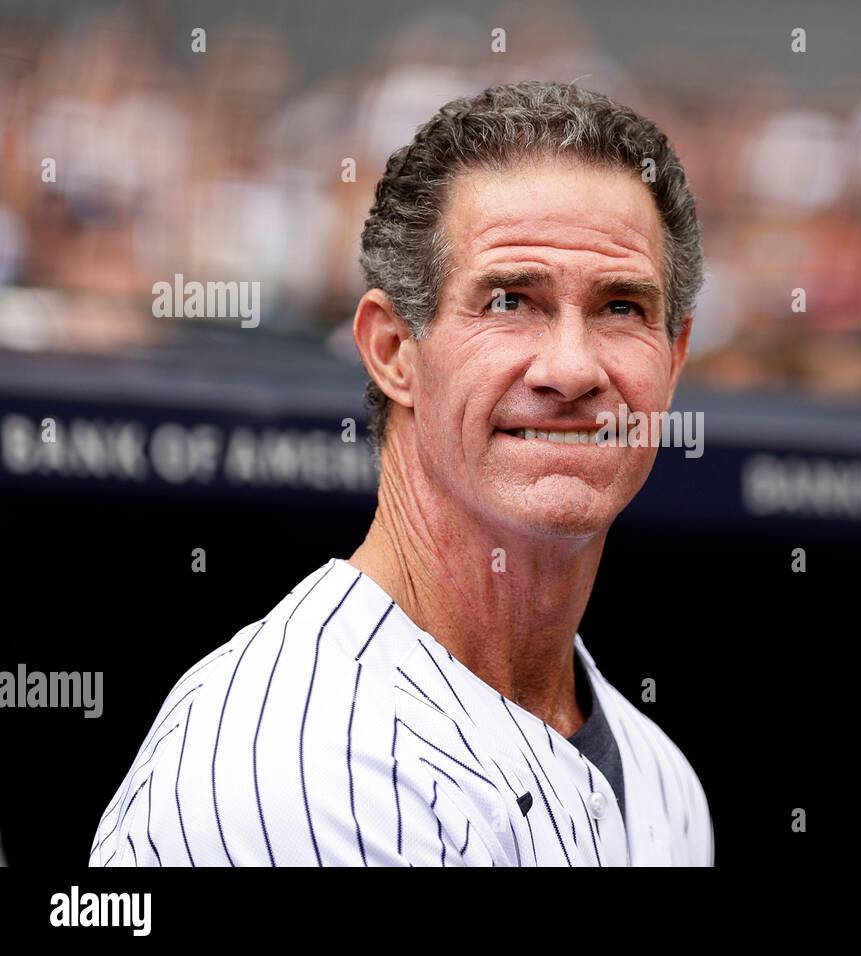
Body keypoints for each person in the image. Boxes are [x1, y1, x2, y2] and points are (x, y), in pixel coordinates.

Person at [89, 80, 712, 866]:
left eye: (622, 308)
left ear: (675, 355)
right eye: (509, 299)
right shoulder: (295, 762)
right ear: (393, 351)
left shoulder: (662, 780)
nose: (571, 368)